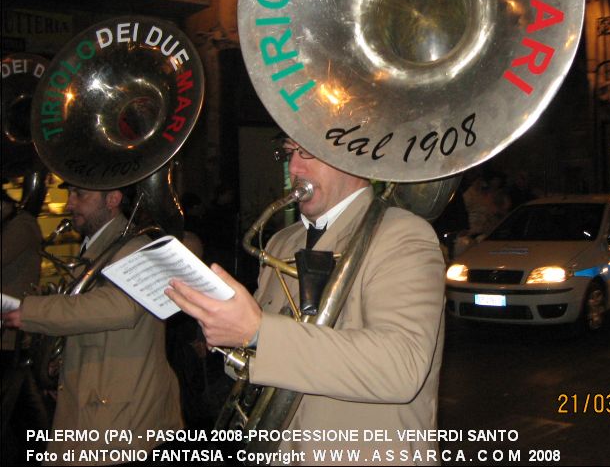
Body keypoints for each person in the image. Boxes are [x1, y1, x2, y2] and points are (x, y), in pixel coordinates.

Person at [167, 138, 446, 464]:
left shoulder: (403, 235)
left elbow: (401, 367)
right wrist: (222, 328)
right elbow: (261, 357)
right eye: (289, 153)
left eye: (307, 153)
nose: (294, 169)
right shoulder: (282, 242)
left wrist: (258, 332)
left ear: (352, 158)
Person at [1, 184, 183, 464]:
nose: (69, 204)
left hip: (121, 418)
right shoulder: (96, 247)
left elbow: (121, 307)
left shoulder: (135, 246)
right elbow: (86, 322)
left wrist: (34, 311)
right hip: (95, 402)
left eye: (80, 195)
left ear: (113, 199)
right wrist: (62, 368)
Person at [1, 190, 49, 465]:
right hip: (9, 331)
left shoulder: (22, 224)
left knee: (21, 402)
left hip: (13, 331)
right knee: (20, 404)